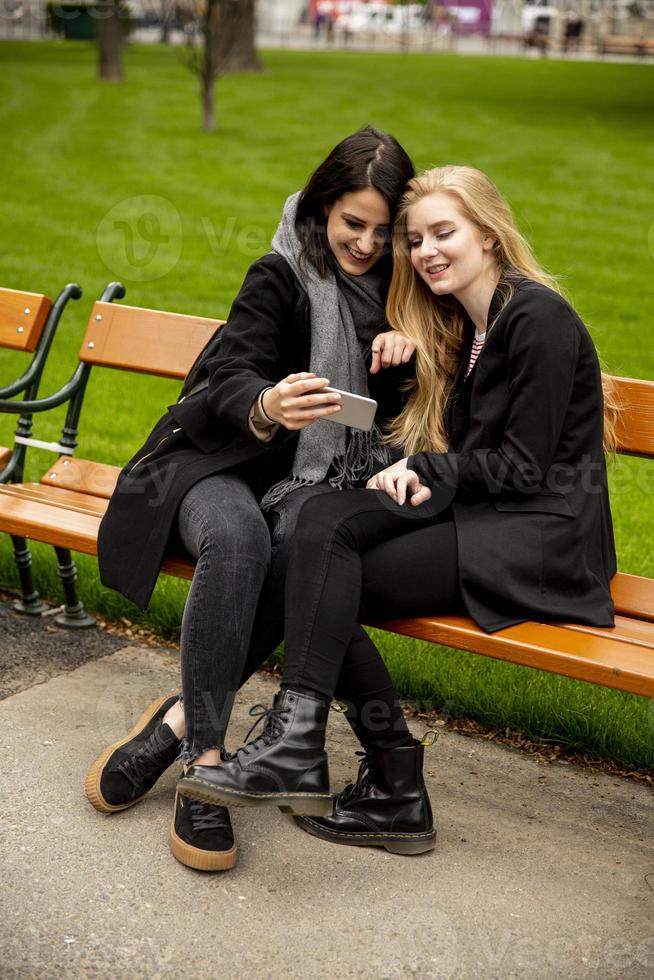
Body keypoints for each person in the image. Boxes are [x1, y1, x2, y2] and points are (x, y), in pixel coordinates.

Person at [177, 165, 618, 856]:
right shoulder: (468, 321)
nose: (427, 251)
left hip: (542, 537)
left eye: (445, 232)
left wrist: (431, 469)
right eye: (415, 240)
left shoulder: (537, 318)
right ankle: (324, 754)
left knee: (311, 574)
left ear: (491, 236)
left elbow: (525, 467)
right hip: (486, 513)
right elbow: (456, 445)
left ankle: (383, 774)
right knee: (317, 526)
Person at [86, 127, 416, 872]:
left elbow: (420, 413)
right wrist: (267, 403)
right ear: (323, 209)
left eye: (381, 230)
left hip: (315, 487)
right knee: (238, 541)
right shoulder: (279, 273)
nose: (363, 243)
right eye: (350, 223)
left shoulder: (407, 301)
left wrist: (413, 354)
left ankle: (171, 727)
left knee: (305, 548)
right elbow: (231, 368)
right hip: (216, 462)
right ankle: (208, 768)